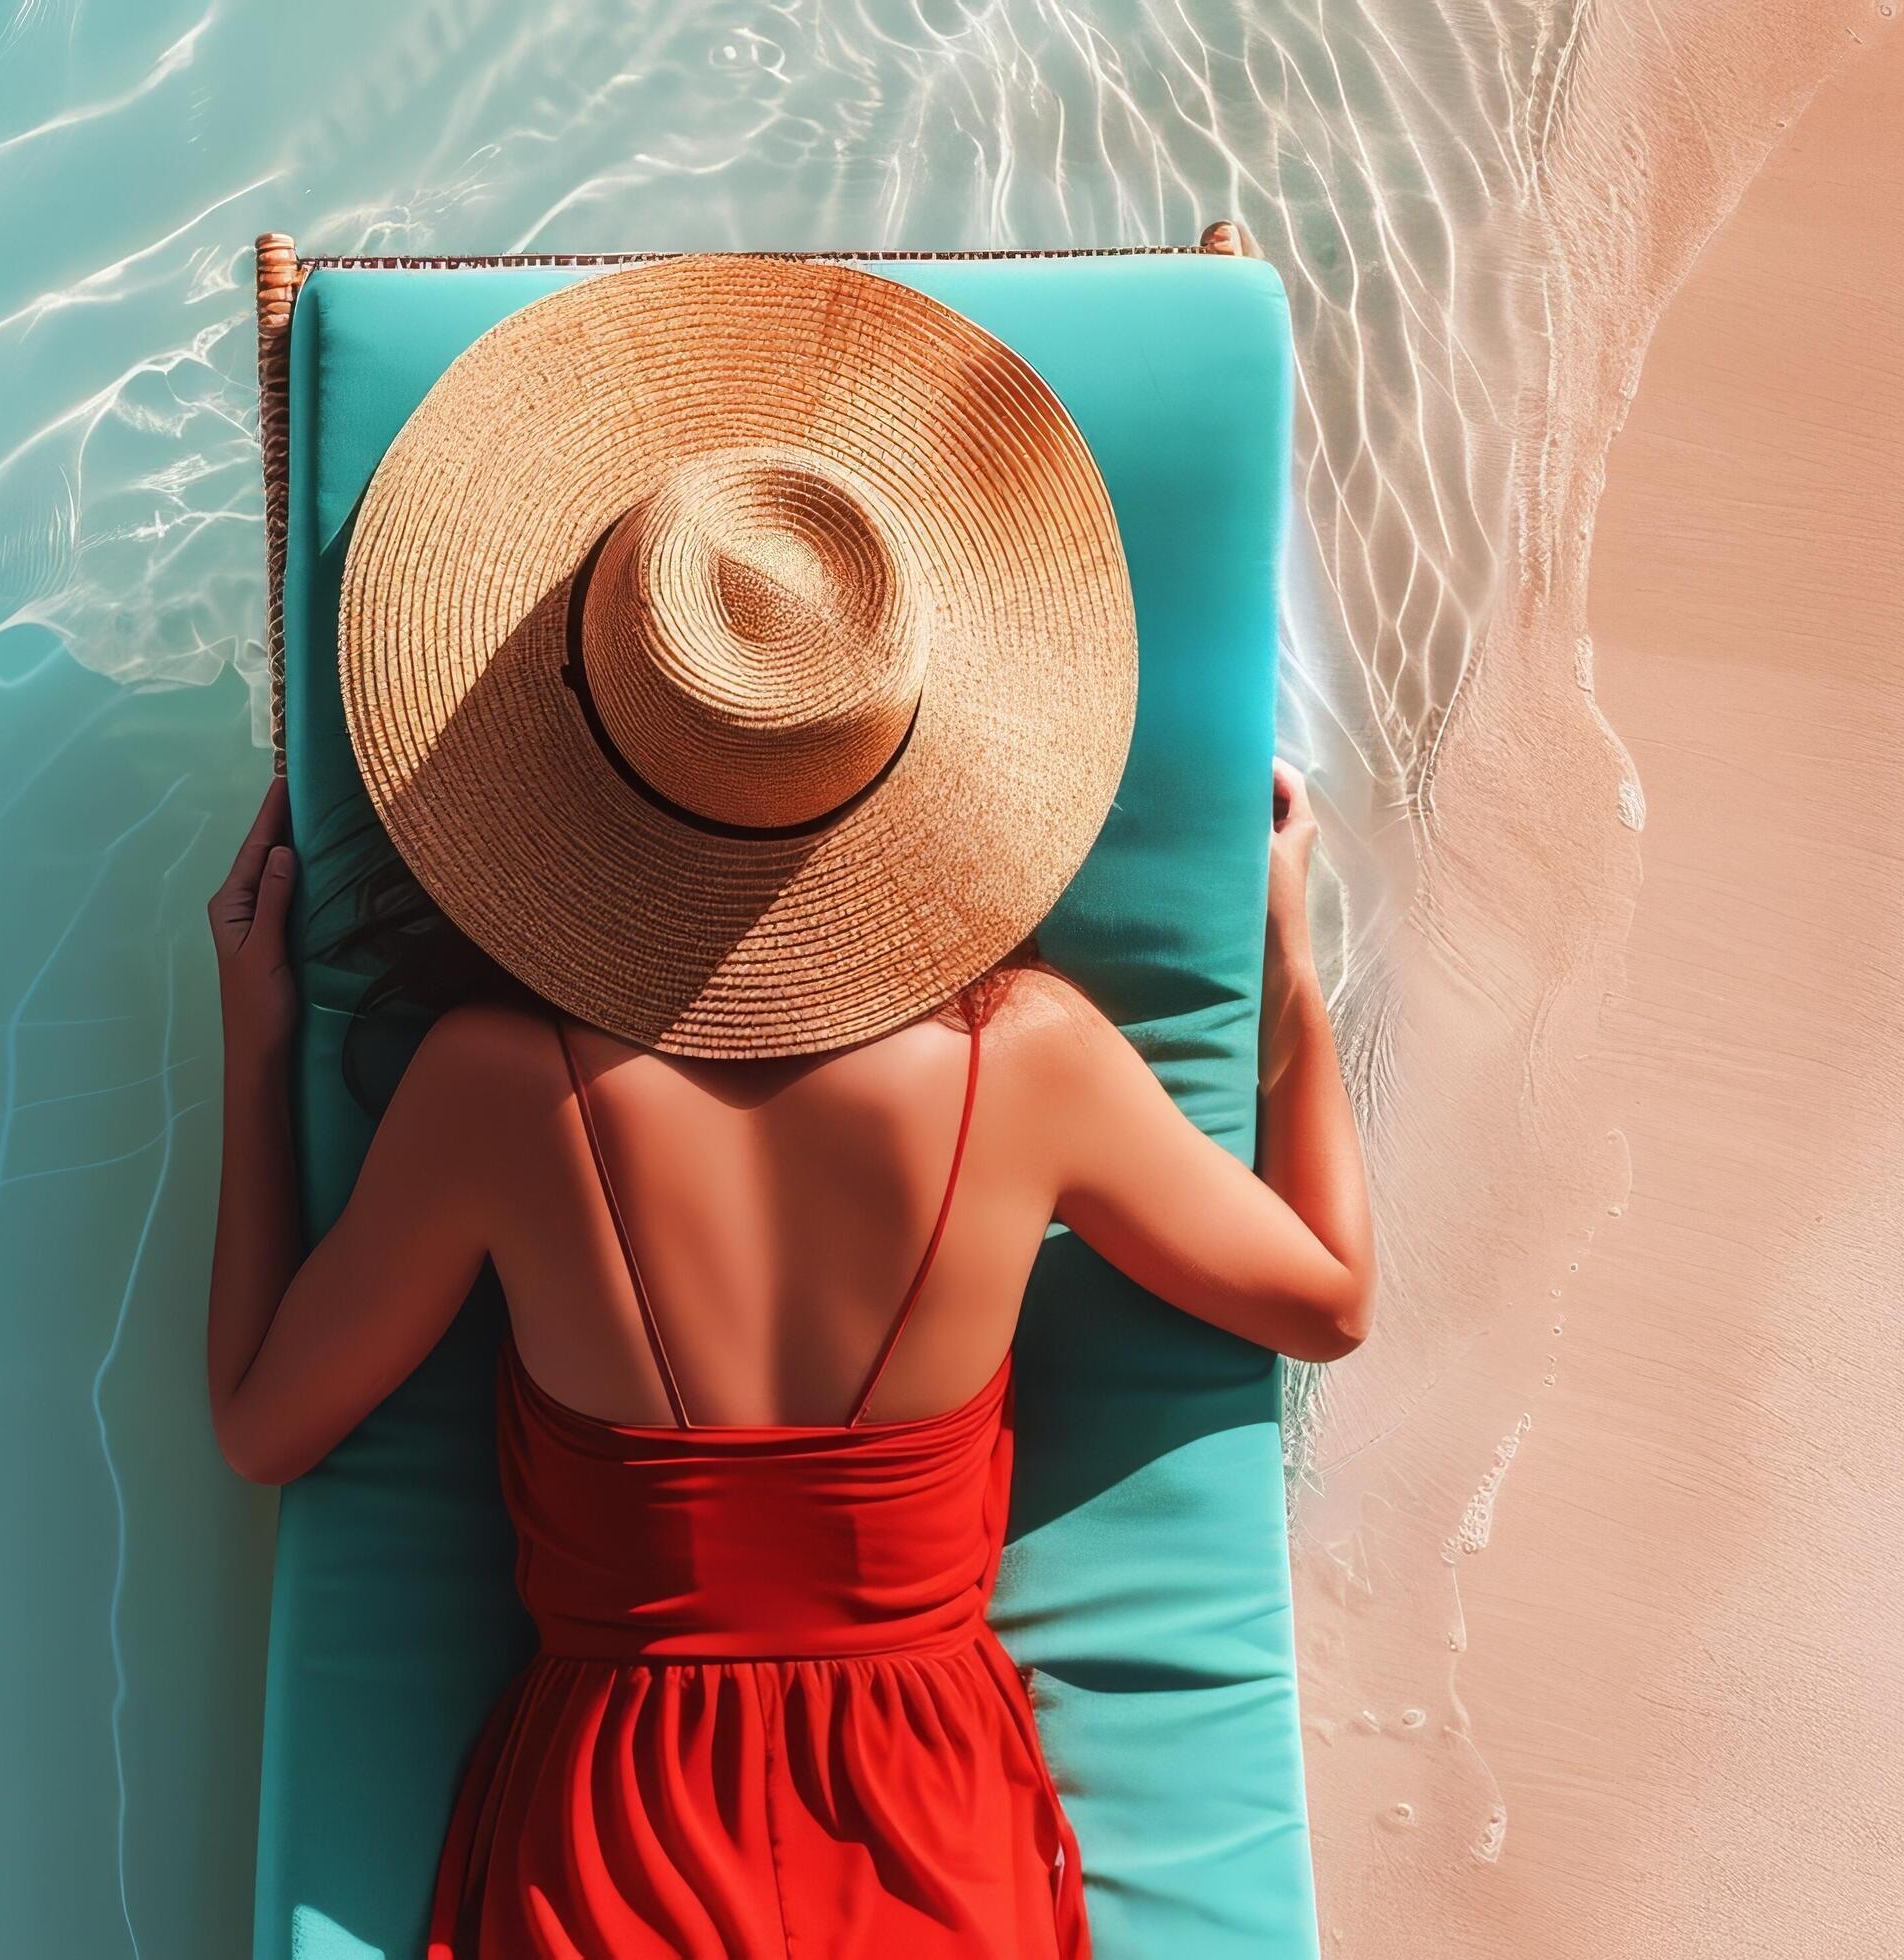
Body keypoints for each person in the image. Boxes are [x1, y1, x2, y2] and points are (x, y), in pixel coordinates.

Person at [194, 255, 1375, 1959]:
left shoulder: (494, 1088)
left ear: (571, 743)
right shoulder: (1022, 1059)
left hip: (613, 1829)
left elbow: (258, 1427)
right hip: (928, 1822)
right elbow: (1327, 1301)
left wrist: (250, 1047)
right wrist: (1286, 976)